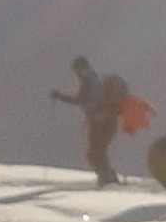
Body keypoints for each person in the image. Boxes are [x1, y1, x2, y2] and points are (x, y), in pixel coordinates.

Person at [51, 56, 125, 186]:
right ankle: (109, 179)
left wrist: (59, 96)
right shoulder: (97, 78)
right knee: (98, 152)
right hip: (108, 121)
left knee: (95, 153)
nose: (75, 74)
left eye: (76, 70)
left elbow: (80, 100)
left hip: (100, 122)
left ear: (81, 69)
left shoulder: (89, 81)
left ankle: (108, 181)